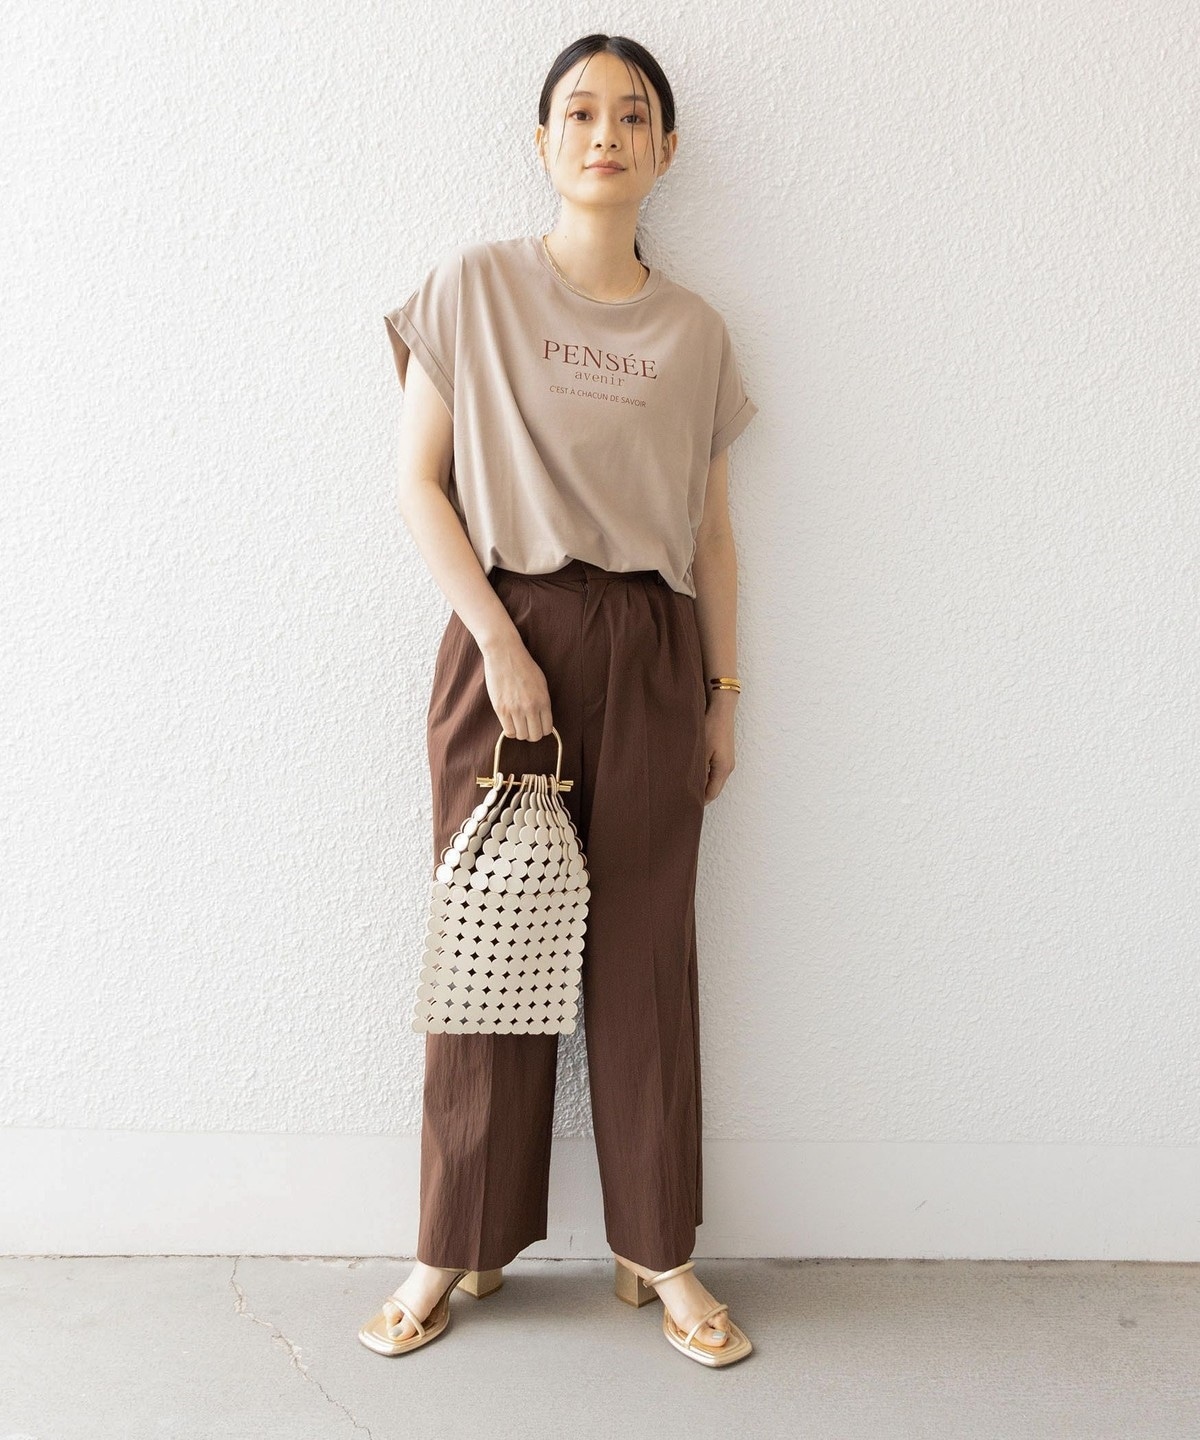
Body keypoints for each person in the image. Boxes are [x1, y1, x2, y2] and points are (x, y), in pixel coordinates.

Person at [359, 33, 758, 1368]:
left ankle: (659, 1251)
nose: (606, 135)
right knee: (492, 943)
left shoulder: (696, 331)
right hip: (509, 633)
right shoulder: (472, 288)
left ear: (666, 149)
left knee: (645, 952)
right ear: (542, 141)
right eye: (580, 113)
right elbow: (419, 483)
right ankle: (452, 1242)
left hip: (652, 643)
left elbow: (712, 536)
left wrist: (722, 694)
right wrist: (498, 642)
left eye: (633, 116)